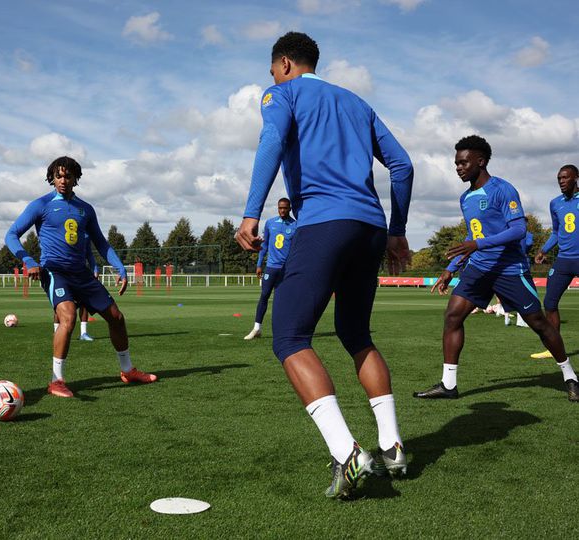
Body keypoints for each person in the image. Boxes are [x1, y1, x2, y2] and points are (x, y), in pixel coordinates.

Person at [234, 32, 413, 499]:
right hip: (370, 228)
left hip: (324, 223)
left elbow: (271, 142)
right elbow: (403, 165)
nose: (270, 78)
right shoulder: (357, 102)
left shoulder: (282, 93)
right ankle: (392, 445)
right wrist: (397, 229)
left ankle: (346, 452)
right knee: (356, 334)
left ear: (287, 64)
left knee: (290, 336)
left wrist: (252, 211)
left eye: (272, 69)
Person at [415, 136, 578, 402]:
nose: (458, 167)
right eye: (456, 163)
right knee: (453, 316)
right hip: (479, 269)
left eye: (463, 162)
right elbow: (472, 236)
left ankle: (570, 375)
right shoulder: (465, 198)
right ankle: (448, 384)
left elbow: (518, 230)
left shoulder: (503, 190)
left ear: (481, 161)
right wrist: (450, 268)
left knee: (539, 323)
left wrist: (477, 244)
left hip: (509, 269)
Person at [5, 156, 157, 398]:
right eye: (58, 176)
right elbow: (11, 234)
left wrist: (120, 266)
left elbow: (100, 242)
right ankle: (57, 381)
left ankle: (128, 371)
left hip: (82, 273)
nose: (63, 180)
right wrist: (29, 260)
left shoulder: (85, 209)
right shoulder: (40, 205)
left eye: (68, 176)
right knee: (68, 317)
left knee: (117, 318)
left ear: (76, 178)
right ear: (51, 179)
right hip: (54, 271)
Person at [531, 165, 579, 358]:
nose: (561, 181)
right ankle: (554, 347)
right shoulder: (555, 203)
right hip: (564, 261)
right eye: (559, 178)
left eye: (565, 177)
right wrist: (543, 250)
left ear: (576, 178)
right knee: (549, 302)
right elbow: (557, 232)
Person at [244, 198, 296, 340]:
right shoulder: (270, 223)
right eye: (280, 208)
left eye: (285, 208)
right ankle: (256, 328)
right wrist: (259, 264)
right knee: (264, 296)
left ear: (289, 208)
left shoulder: (296, 226)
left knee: (283, 300)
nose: (282, 210)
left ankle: (284, 331)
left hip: (286, 270)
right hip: (271, 268)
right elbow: (264, 246)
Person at [53, 237, 99, 341]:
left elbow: (89, 253)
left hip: (80, 274)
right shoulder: (62, 235)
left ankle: (83, 333)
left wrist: (95, 268)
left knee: (84, 304)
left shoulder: (85, 235)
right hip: (62, 274)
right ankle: (56, 332)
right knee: (60, 304)